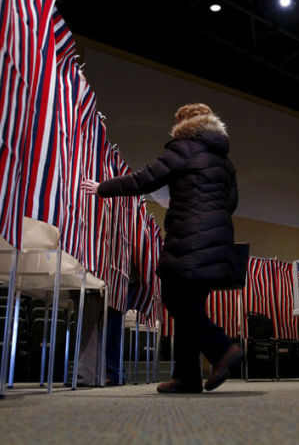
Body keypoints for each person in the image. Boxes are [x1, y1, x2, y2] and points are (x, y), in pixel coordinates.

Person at [81, 103, 243, 393]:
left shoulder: (183, 148)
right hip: (218, 240)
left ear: (184, 124)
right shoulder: (225, 162)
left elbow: (145, 179)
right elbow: (231, 203)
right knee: (189, 307)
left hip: (189, 238)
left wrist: (102, 188)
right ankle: (186, 377)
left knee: (174, 297)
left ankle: (221, 348)